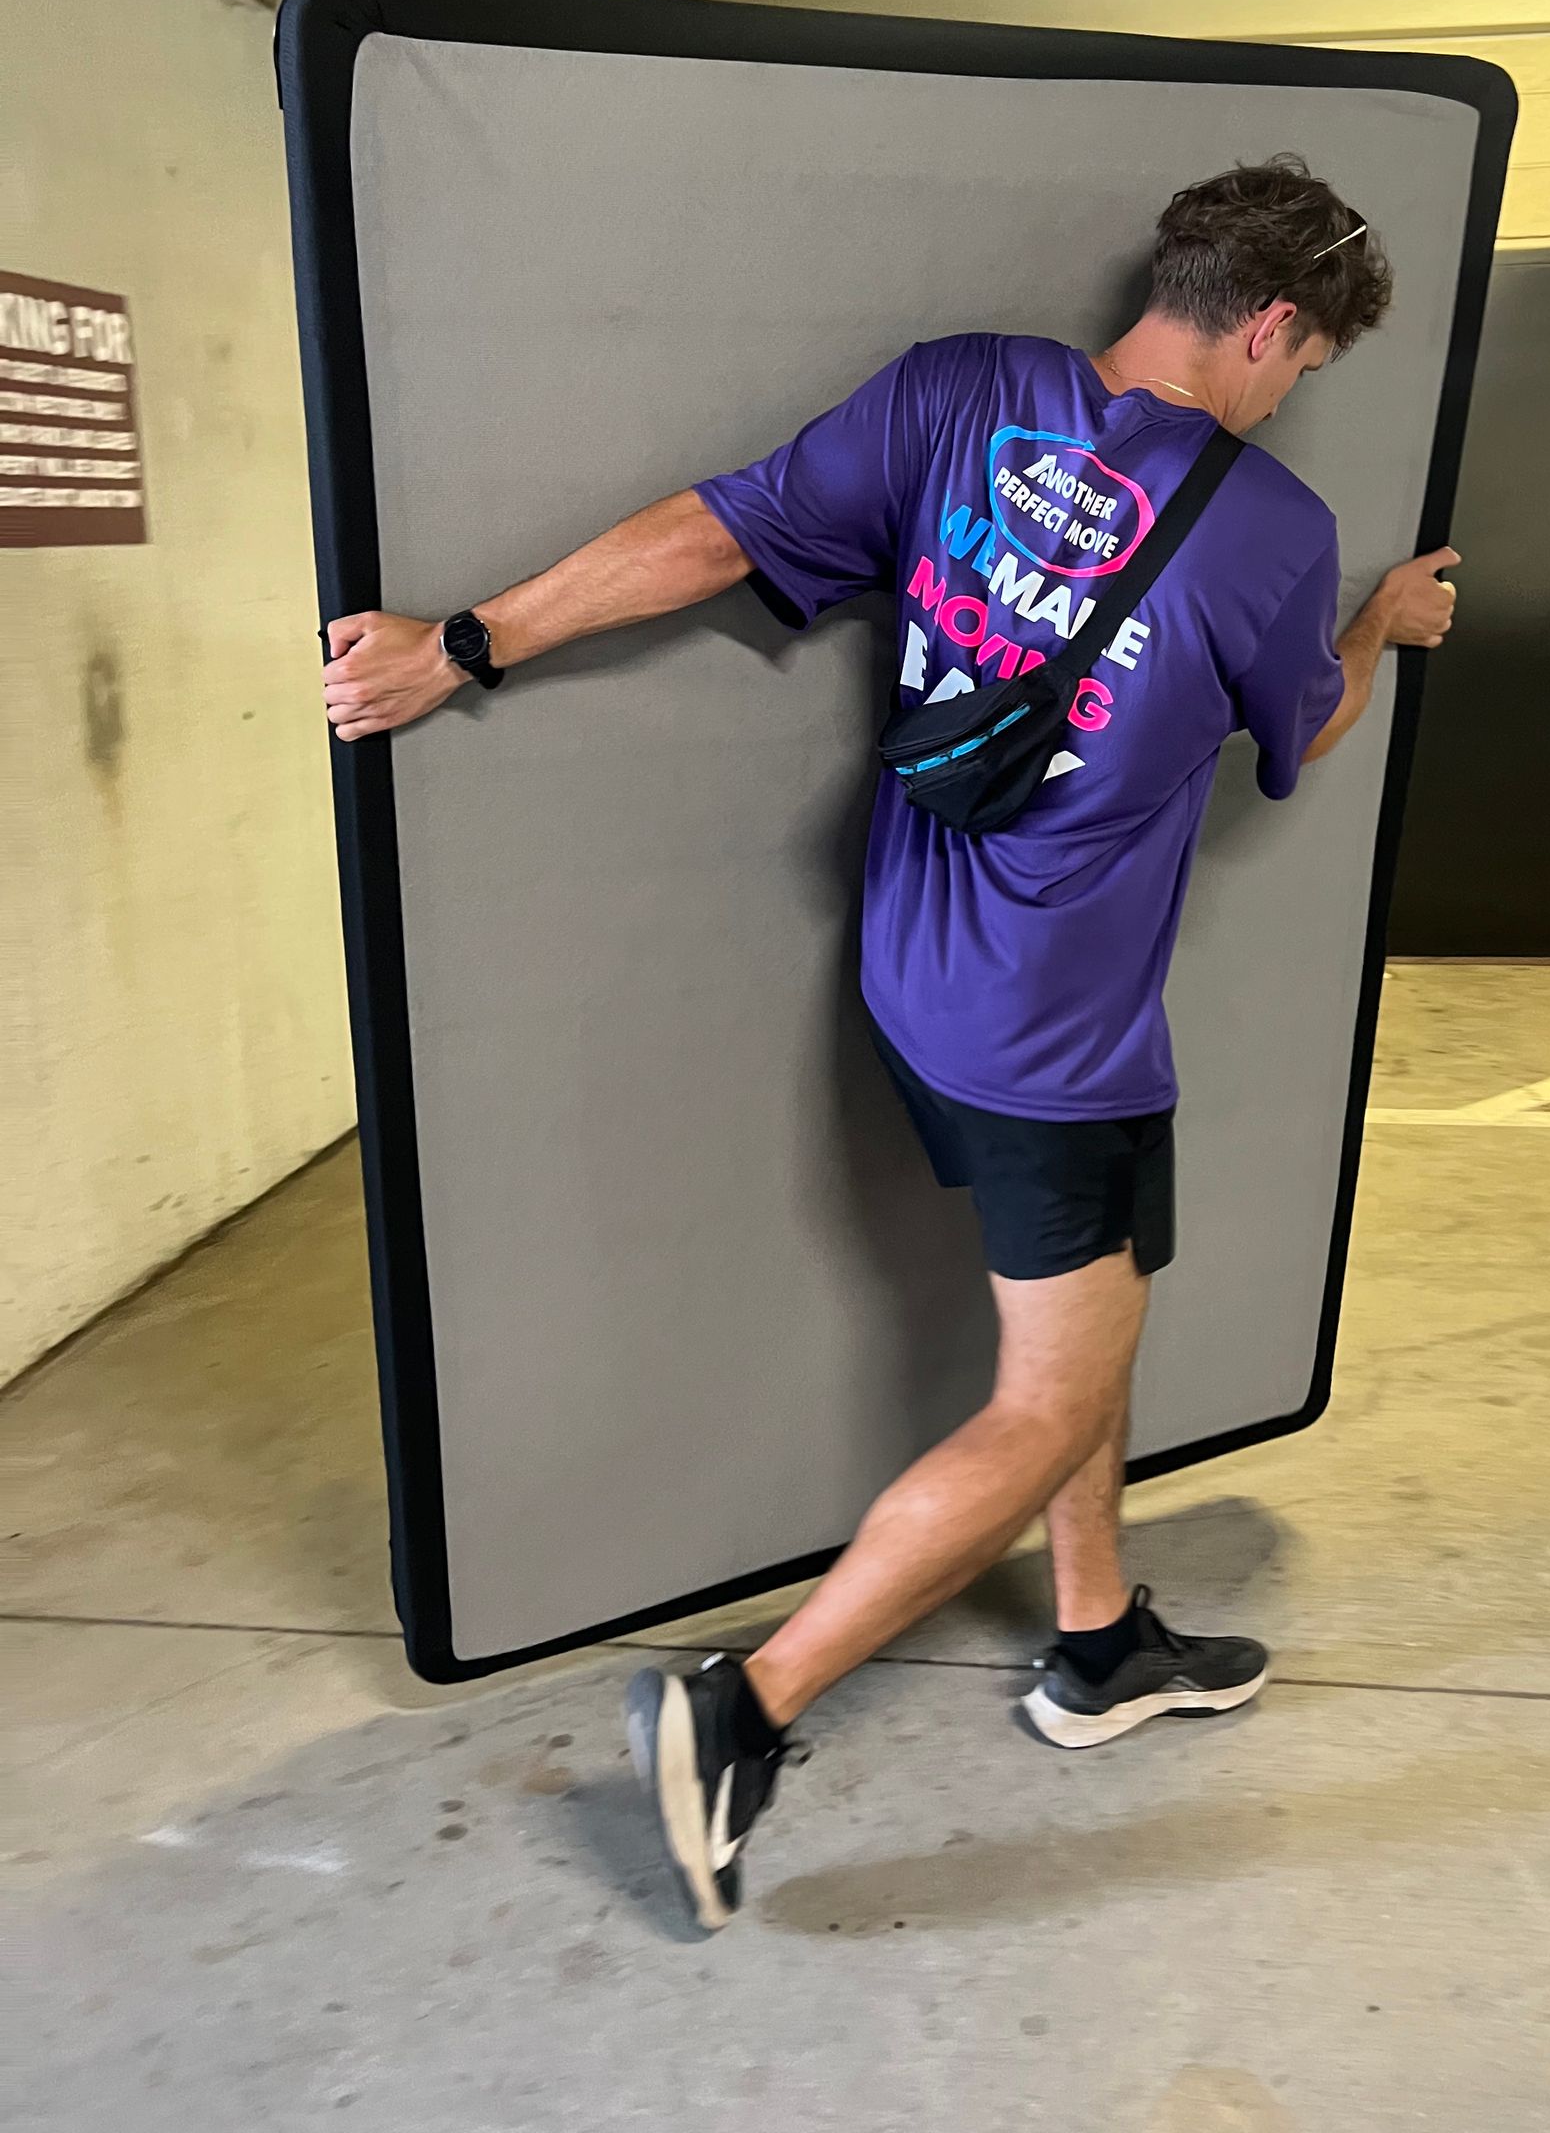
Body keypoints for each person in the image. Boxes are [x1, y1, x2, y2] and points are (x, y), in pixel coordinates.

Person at [321, 153, 1458, 1934]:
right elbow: (1300, 729)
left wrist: (467, 646)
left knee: (1088, 1317)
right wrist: (1383, 622)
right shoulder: (1272, 535)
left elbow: (718, 530)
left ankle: (1100, 1644)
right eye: (1304, 368)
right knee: (1055, 1390)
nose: (1291, 396)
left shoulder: (963, 391)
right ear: (1271, 326)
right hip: (1060, 1033)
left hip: (912, 975)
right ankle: (744, 1711)